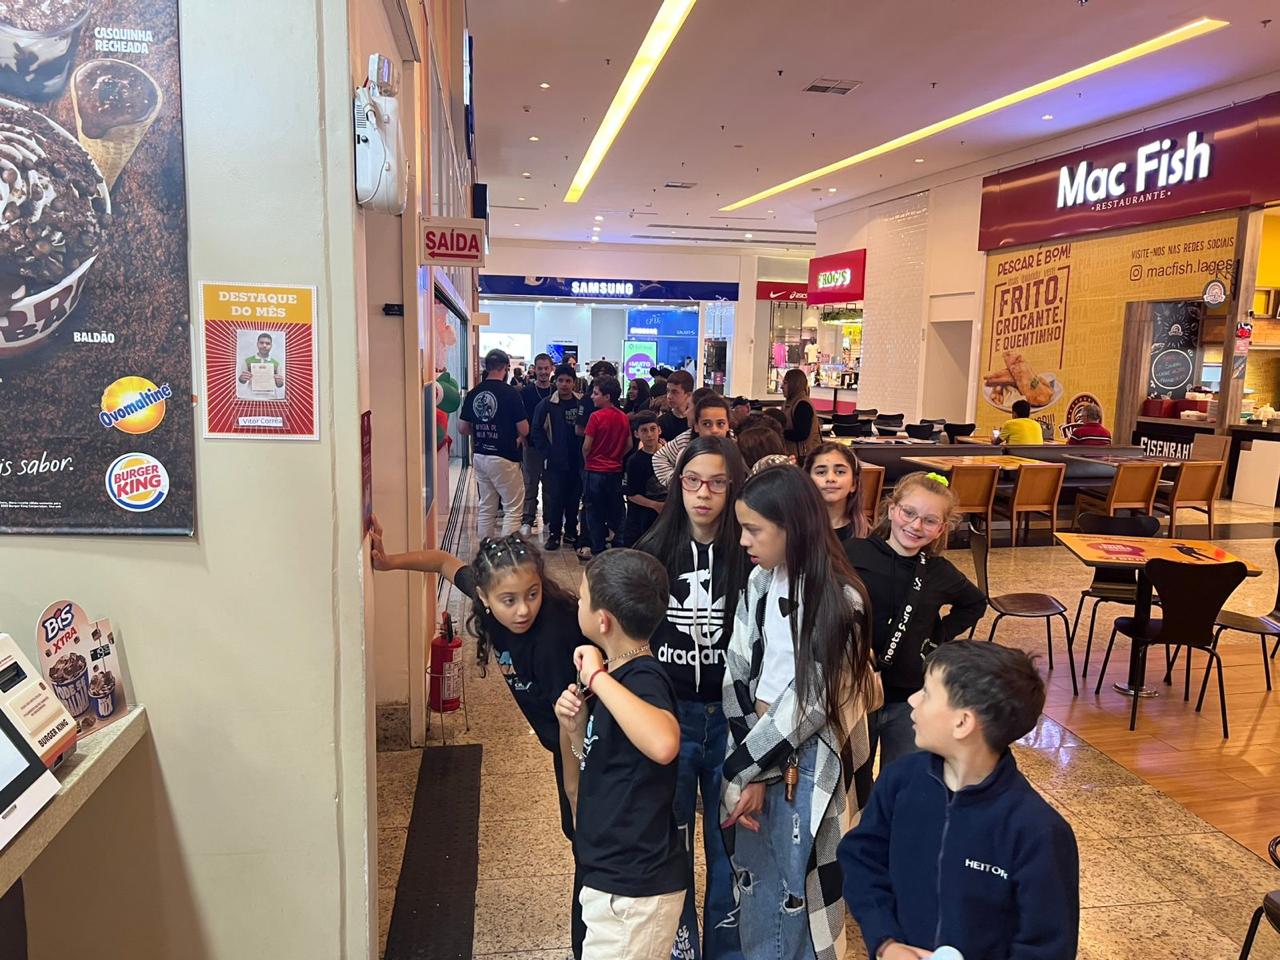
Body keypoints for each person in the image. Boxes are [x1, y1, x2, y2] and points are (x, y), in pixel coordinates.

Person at [369, 524, 590, 956]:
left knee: (588, 848)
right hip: (566, 740)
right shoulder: (489, 590)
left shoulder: (550, 638)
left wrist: (574, 795)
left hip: (588, 745)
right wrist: (387, 562)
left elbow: (570, 727)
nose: (523, 609)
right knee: (581, 842)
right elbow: (441, 561)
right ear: (484, 598)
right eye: (509, 600)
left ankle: (589, 944)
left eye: (532, 594)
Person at [839, 642, 1080, 960]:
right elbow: (861, 858)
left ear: (963, 723)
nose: (912, 699)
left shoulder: (1038, 832)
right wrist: (885, 941)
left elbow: (1048, 946)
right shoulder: (900, 781)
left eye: (926, 693)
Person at [723, 464, 875, 960]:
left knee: (802, 889)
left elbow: (811, 703)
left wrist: (747, 769)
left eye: (753, 529)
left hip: (808, 761)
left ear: (792, 526)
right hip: (759, 750)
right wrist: (749, 765)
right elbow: (736, 667)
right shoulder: (761, 579)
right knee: (757, 878)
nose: (743, 540)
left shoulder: (843, 601)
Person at [635, 437, 750, 960]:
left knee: (730, 846)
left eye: (717, 483)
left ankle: (725, 950)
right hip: (671, 718)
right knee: (673, 842)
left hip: (731, 717)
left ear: (733, 487)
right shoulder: (653, 551)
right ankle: (682, 948)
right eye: (693, 481)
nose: (703, 493)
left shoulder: (749, 555)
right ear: (678, 484)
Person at [554, 550, 685, 960]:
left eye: (582, 598)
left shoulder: (643, 678)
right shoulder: (619, 683)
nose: (577, 604)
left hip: (635, 890)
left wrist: (596, 676)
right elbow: (601, 761)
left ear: (603, 621)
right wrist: (577, 728)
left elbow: (663, 743)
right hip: (612, 877)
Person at [845, 472, 985, 771]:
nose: (916, 525)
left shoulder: (939, 571)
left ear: (941, 529)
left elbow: (975, 603)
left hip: (909, 697)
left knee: (903, 776)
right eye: (908, 513)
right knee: (855, 778)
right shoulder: (854, 553)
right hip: (856, 691)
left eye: (929, 520)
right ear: (891, 510)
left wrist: (936, 637)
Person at [460, 349, 529, 537]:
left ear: (486, 366)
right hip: (505, 456)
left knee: (486, 507)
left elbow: (462, 428)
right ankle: (506, 552)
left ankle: (485, 549)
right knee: (512, 509)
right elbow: (524, 429)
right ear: (506, 367)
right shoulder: (511, 393)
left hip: (480, 454)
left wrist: (481, 429)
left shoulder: (474, 393)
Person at [531, 363, 584, 551]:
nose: (564, 384)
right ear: (556, 381)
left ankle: (571, 531)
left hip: (577, 459)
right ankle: (554, 533)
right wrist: (547, 452)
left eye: (568, 381)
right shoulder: (547, 405)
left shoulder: (581, 403)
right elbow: (536, 429)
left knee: (574, 498)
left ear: (574, 383)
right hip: (555, 460)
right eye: (561, 380)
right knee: (555, 498)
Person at [580, 375, 631, 561]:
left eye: (596, 393)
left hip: (594, 470)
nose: (592, 397)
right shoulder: (623, 417)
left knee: (594, 511)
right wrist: (616, 457)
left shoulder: (595, 417)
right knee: (617, 509)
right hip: (615, 470)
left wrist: (588, 461)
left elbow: (586, 446)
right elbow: (629, 444)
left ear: (607, 396)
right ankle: (619, 544)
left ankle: (598, 548)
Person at [652, 393, 733, 486]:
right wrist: (674, 483)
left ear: (728, 425)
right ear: (696, 426)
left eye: (721, 423)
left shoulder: (735, 449)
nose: (714, 430)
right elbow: (659, 457)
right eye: (706, 424)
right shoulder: (685, 447)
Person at [519, 353, 557, 536]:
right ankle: (528, 519)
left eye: (546, 368)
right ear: (534, 369)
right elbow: (520, 417)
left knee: (550, 484)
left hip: (552, 447)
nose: (543, 372)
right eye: (540, 368)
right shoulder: (526, 392)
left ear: (551, 369)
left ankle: (549, 520)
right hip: (531, 445)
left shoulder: (556, 391)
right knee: (530, 482)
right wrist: (523, 439)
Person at [804, 442, 869, 542]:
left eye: (840, 472)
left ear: (853, 484)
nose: (830, 478)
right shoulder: (793, 530)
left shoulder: (867, 536)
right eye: (821, 472)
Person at [621, 411, 666, 548]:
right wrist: (655, 505)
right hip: (640, 520)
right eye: (644, 430)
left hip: (665, 519)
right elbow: (631, 494)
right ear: (636, 434)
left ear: (659, 430)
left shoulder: (669, 456)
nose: (649, 434)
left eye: (653, 429)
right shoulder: (634, 461)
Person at [780, 368, 821, 460]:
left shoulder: (802, 405)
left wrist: (779, 432)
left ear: (794, 385)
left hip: (803, 457)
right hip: (794, 455)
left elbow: (801, 434)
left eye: (785, 383)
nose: (781, 387)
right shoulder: (789, 403)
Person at [659, 370, 696, 441]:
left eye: (674, 392)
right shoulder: (662, 422)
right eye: (668, 391)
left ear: (688, 395)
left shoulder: (696, 421)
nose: (669, 396)